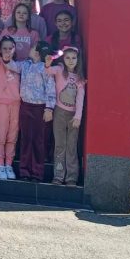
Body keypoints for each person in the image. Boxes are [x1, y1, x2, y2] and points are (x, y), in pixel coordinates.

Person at [16, 40, 56, 182]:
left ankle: (37, 172)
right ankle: (24, 171)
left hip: (40, 108)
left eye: (33, 47)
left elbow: (51, 88)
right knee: (26, 139)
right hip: (25, 106)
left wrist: (49, 108)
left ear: (38, 53)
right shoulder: (24, 65)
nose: (30, 49)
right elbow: (11, 66)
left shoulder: (45, 68)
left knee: (38, 140)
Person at [48, 47, 86, 186]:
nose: (71, 60)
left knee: (71, 146)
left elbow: (80, 99)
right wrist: (49, 62)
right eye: (67, 57)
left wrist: (78, 117)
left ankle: (71, 177)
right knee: (60, 145)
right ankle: (58, 176)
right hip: (59, 112)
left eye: (73, 58)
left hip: (73, 116)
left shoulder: (79, 79)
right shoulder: (59, 70)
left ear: (77, 60)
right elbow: (47, 71)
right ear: (63, 59)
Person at [0, 30, 21, 179]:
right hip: (2, 104)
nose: (7, 51)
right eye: (5, 48)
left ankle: (9, 164)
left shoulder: (19, 66)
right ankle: (0, 165)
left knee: (12, 136)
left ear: (15, 49)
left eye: (10, 48)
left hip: (16, 105)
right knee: (1, 135)